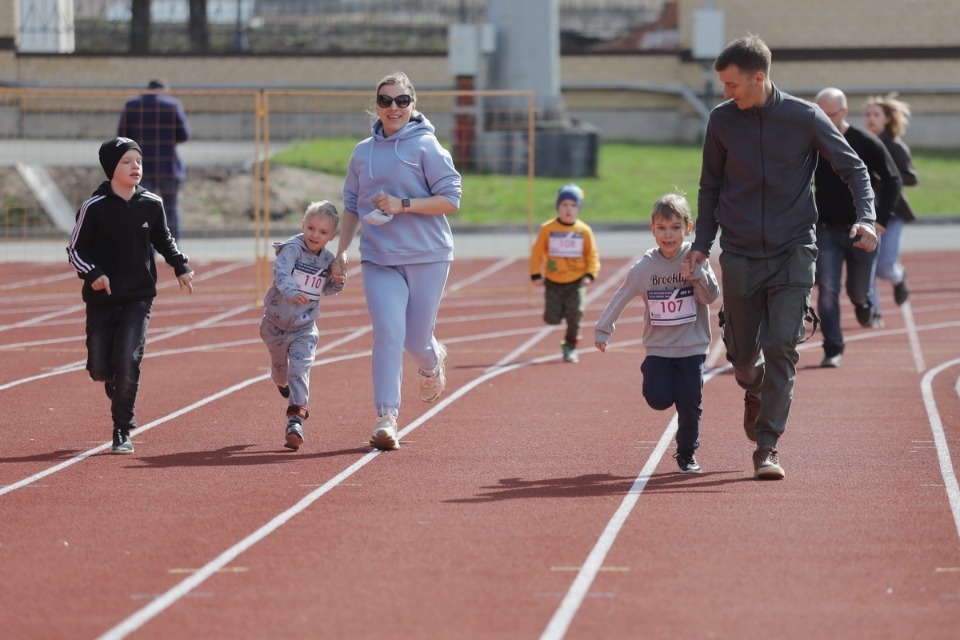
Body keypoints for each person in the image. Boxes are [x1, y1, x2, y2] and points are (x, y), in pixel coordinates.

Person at [687, 35, 877, 480]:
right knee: (741, 355)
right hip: (738, 250)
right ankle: (752, 388)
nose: (726, 92)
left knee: (781, 347)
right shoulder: (721, 121)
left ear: (759, 77)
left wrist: (865, 217)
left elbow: (854, 168)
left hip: (794, 249)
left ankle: (767, 447)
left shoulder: (804, 117)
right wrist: (701, 244)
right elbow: (710, 186)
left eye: (732, 84)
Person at [334, 71, 462, 452]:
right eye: (386, 101)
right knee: (388, 332)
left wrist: (404, 204)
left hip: (428, 255)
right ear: (376, 106)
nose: (394, 108)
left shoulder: (428, 147)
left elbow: (452, 199)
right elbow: (352, 206)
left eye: (401, 101)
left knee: (416, 340)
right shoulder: (362, 152)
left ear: (413, 105)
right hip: (379, 258)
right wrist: (341, 250)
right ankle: (386, 417)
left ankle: (431, 359)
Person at [66, 137, 195, 454]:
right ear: (111, 168)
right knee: (99, 367)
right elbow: (75, 250)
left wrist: (180, 265)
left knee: (129, 359)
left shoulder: (152, 203)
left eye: (138, 160)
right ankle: (113, 380)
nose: (135, 166)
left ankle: (122, 429)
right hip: (102, 300)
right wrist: (93, 273)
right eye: (126, 161)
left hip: (139, 296)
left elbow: (163, 239)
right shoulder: (93, 207)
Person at [594, 192, 719, 473]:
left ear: (688, 228)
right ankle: (659, 379)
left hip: (692, 348)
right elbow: (621, 296)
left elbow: (711, 297)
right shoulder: (645, 267)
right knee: (658, 399)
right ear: (652, 229)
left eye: (675, 228)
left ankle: (686, 453)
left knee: (690, 407)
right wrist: (603, 329)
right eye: (661, 228)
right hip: (659, 349)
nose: (668, 235)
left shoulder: (696, 259)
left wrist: (697, 275)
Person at [813, 87, 902, 367]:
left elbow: (893, 179)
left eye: (830, 115)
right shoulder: (812, 142)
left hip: (862, 229)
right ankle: (833, 347)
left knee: (857, 291)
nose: (824, 121)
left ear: (844, 112)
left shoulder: (864, 142)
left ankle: (864, 304)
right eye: (819, 115)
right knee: (827, 290)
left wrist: (881, 219)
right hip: (826, 229)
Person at [260, 201, 345, 451]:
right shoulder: (292, 249)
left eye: (322, 232)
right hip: (274, 325)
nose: (314, 235)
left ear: (332, 236)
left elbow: (326, 289)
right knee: (281, 370)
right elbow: (281, 272)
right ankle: (279, 380)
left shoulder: (328, 260)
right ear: (303, 225)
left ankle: (295, 421)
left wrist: (338, 280)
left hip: (304, 328)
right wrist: (290, 291)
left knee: (299, 371)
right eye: (310, 228)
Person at [530, 183, 601, 364]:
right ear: (558, 207)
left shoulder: (584, 231)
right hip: (553, 281)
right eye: (564, 205)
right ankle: (558, 315)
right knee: (551, 318)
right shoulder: (548, 229)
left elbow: (592, 254)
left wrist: (590, 274)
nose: (568, 209)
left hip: (576, 281)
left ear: (578, 208)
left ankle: (570, 346)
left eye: (573, 205)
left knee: (575, 313)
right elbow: (537, 252)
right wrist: (536, 274)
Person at [864, 93, 918, 321]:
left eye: (876, 114)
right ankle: (874, 312)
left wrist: (884, 177)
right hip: (868, 214)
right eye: (867, 114)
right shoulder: (861, 143)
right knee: (870, 266)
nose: (870, 119)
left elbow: (911, 178)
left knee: (885, 266)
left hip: (894, 214)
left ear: (887, 118)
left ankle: (898, 276)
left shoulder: (895, 147)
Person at [117, 79, 190, 241]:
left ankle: (146, 251)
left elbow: (122, 135)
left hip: (140, 167)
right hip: (168, 166)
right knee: (170, 209)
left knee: (143, 210)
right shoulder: (172, 105)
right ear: (164, 89)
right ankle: (173, 250)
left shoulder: (132, 105)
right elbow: (184, 135)